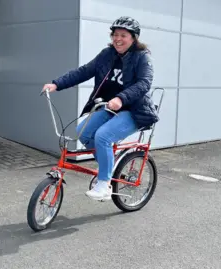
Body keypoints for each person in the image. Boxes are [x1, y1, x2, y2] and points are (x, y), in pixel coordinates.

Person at [42, 16, 159, 201]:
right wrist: (57, 84)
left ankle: (104, 184)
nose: (117, 39)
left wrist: (121, 98)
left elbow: (144, 83)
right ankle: (108, 165)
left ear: (133, 38)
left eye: (123, 35)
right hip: (109, 107)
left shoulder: (142, 58)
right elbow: (84, 71)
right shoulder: (107, 54)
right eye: (115, 35)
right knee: (83, 131)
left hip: (134, 110)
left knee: (103, 136)